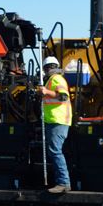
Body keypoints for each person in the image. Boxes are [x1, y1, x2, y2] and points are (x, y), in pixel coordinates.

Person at [38, 56, 72, 194]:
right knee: (54, 151)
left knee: (55, 151)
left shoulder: (56, 79)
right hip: (53, 120)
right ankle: (62, 182)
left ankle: (63, 182)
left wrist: (46, 92)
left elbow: (64, 96)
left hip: (58, 120)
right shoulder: (51, 80)